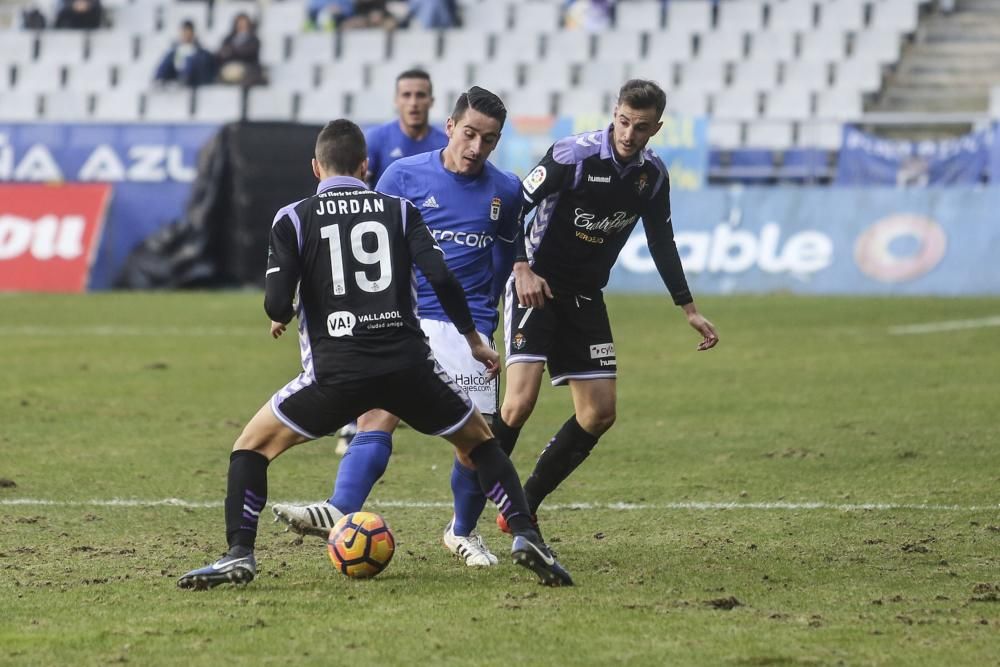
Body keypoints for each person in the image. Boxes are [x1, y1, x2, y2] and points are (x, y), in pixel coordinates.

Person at [177, 119, 571, 590]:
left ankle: (238, 554)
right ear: (365, 166)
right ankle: (526, 536)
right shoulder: (400, 211)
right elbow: (441, 279)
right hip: (408, 366)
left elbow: (276, 304)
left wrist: (289, 307)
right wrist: (472, 339)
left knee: (250, 447)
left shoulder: (293, 217)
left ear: (315, 168)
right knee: (481, 443)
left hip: (336, 374)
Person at [272, 87, 522, 568]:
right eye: (469, 133)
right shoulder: (403, 176)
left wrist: (485, 319)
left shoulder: (506, 190)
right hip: (404, 321)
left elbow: (506, 255)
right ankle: (340, 508)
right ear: (449, 127)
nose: (475, 147)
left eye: (488, 140)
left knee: (474, 443)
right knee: (376, 417)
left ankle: (463, 531)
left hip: (468, 328)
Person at [493, 79, 719, 534]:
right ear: (613, 113)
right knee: (518, 405)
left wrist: (688, 308)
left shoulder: (651, 177)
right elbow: (513, 206)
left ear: (655, 128)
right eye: (623, 121)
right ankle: (468, 508)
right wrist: (520, 267)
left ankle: (525, 502)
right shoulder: (571, 156)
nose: (628, 134)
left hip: (585, 297)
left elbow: (662, 241)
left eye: (640, 127)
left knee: (599, 414)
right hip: (537, 286)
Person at [334, 68, 448, 453]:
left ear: (432, 100)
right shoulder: (379, 141)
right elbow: (355, 194)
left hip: (426, 250)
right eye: (407, 95)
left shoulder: (443, 143)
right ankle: (354, 420)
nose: (414, 102)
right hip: (381, 253)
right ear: (397, 100)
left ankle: (416, 406)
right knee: (369, 330)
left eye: (421, 95)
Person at [154, 20, 216, 88]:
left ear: (193, 33)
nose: (186, 35)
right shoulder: (174, 52)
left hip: (195, 82)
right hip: (176, 80)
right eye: (184, 32)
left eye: (188, 32)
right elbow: (166, 65)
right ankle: (161, 81)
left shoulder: (202, 53)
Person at [215, 12, 263, 87]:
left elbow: (248, 53)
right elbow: (222, 53)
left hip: (247, 68)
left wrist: (232, 51)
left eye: (244, 23)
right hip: (228, 66)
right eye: (239, 23)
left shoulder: (254, 39)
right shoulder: (228, 38)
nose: (241, 25)